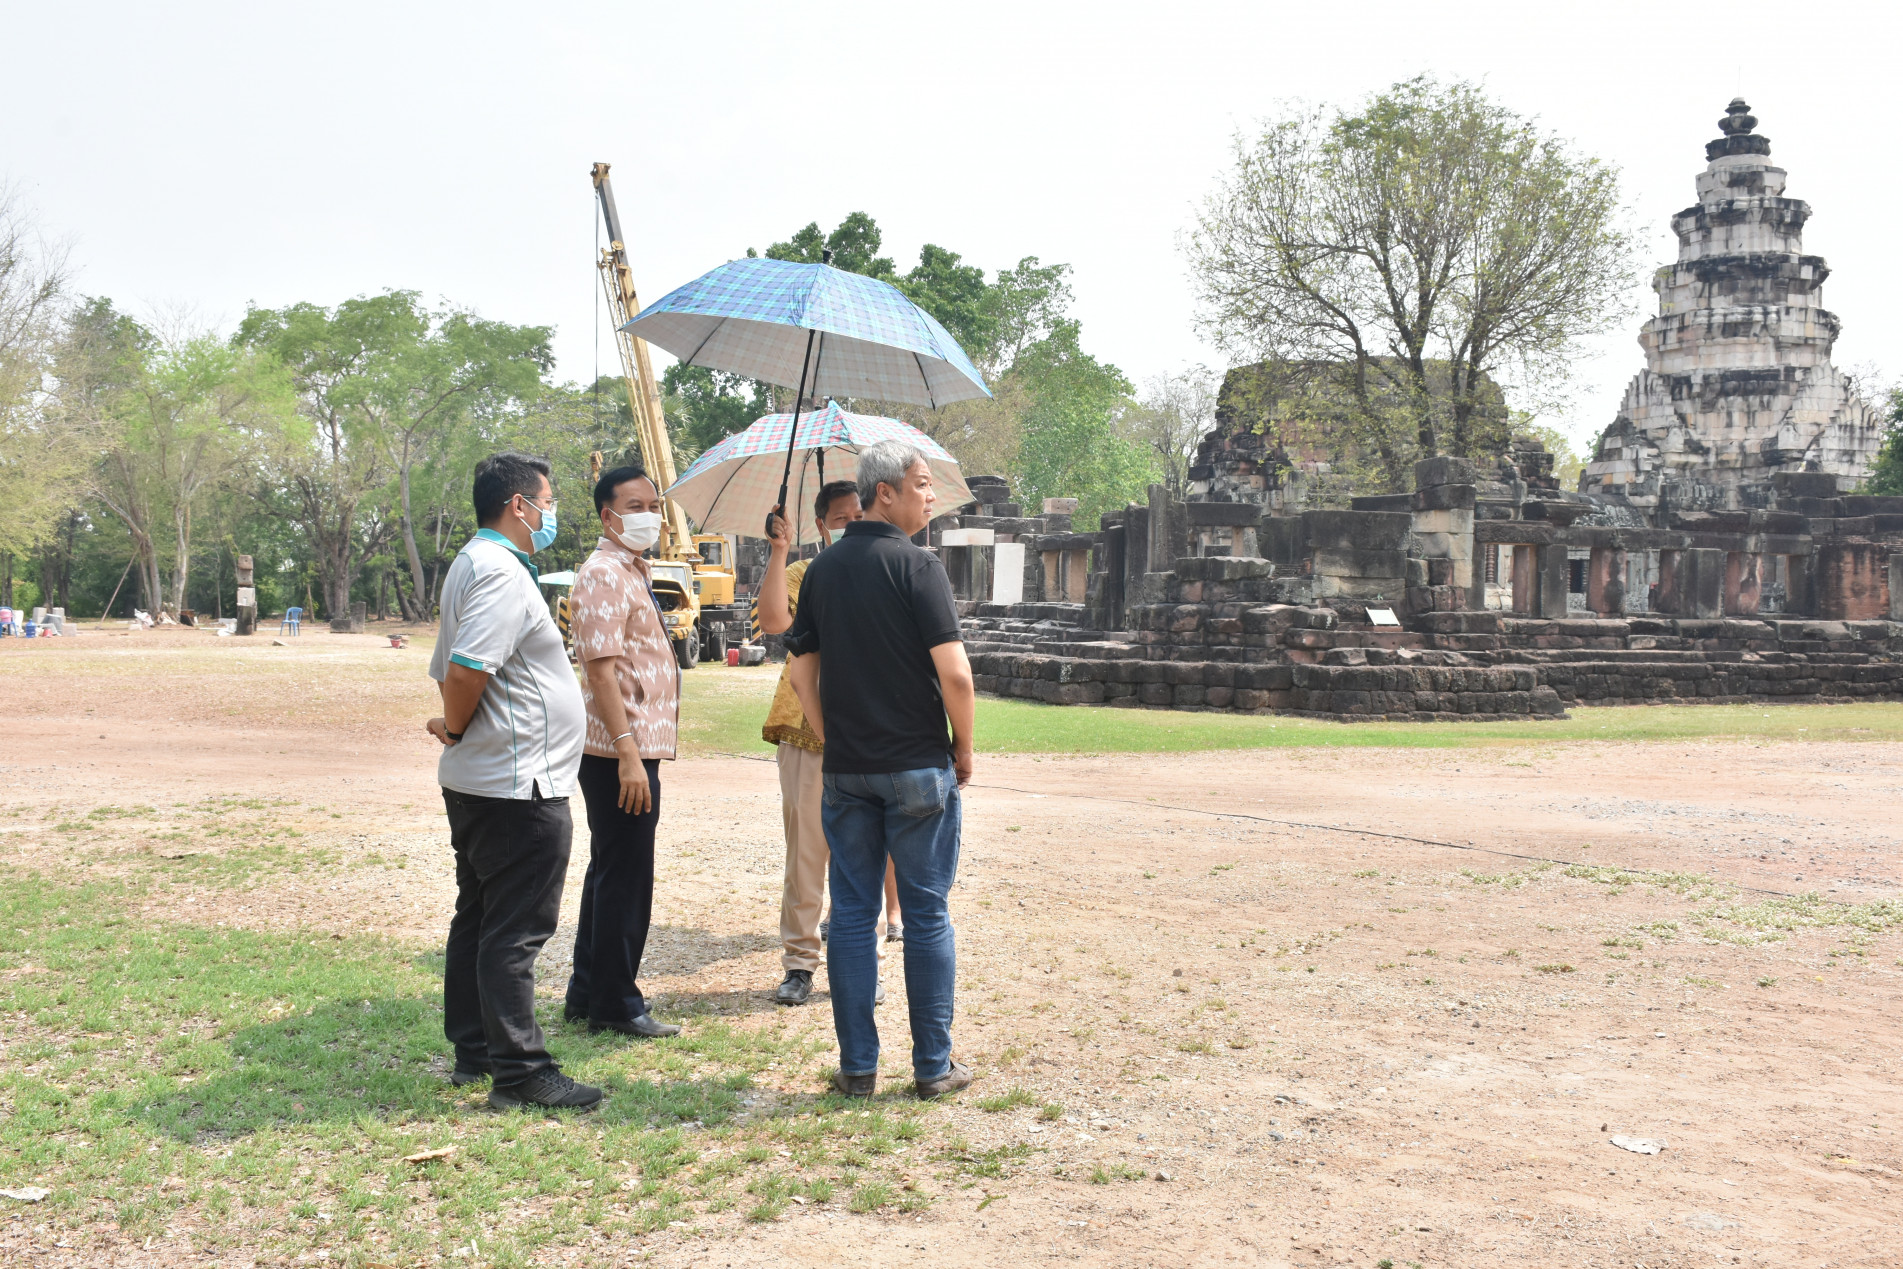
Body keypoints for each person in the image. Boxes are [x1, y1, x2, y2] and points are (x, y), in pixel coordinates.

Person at [784, 439, 977, 1100]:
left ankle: (858, 1067)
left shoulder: (823, 571)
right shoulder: (918, 567)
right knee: (924, 912)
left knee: (854, 910)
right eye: (921, 483)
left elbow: (801, 670)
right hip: (917, 762)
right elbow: (954, 674)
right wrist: (964, 748)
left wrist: (830, 731)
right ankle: (931, 1065)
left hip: (848, 767)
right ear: (883, 492)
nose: (930, 495)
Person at [426, 452, 600, 1111]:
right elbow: (467, 669)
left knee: (478, 918)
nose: (551, 512)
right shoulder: (499, 571)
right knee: (513, 931)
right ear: (517, 506)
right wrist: (457, 721)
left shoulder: (476, 563)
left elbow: (453, 673)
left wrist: (453, 723)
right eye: (547, 500)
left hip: (490, 777)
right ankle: (521, 1071)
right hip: (517, 784)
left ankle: (476, 1050)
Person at [562, 465, 683, 1040]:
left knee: (611, 870)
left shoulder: (633, 570)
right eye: (636, 505)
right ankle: (616, 1002)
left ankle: (590, 992)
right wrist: (628, 752)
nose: (650, 515)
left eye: (654, 504)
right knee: (627, 875)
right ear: (609, 516)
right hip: (618, 751)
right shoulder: (605, 573)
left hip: (627, 747)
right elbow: (600, 671)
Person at [756, 479, 876, 1007]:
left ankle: (856, 961)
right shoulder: (807, 575)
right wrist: (780, 552)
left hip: (869, 730)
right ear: (823, 525)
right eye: (841, 518)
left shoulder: (887, 570)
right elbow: (775, 622)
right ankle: (800, 962)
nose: (851, 524)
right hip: (808, 729)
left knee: (862, 854)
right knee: (806, 853)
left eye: (859, 514)